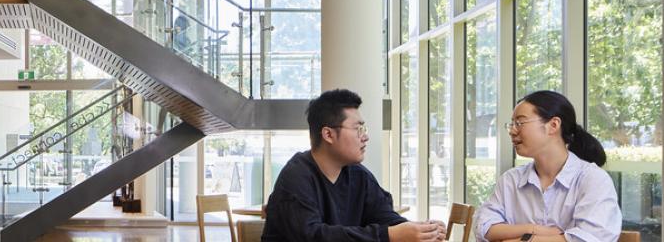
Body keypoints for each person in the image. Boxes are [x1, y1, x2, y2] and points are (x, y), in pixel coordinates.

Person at [263, 89, 446, 242]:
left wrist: (420, 231)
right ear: (328, 135)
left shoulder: (358, 175)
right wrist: (388, 235)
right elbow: (313, 236)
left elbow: (385, 218)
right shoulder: (296, 177)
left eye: (364, 129)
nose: (365, 137)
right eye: (358, 129)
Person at [473, 90, 621, 242]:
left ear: (553, 125)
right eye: (511, 124)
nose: (512, 131)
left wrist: (522, 240)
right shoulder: (511, 180)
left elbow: (591, 238)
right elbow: (483, 226)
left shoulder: (593, 179)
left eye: (520, 122)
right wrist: (532, 230)